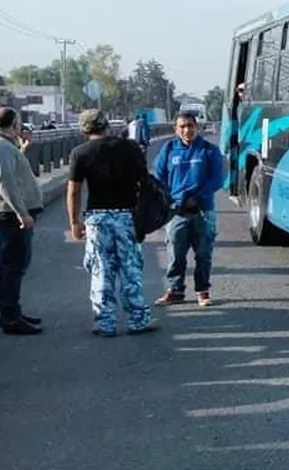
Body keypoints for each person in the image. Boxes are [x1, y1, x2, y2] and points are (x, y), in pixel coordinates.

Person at [67, 109, 157, 337]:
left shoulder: (80, 153)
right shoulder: (130, 148)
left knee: (101, 270)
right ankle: (138, 319)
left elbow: (74, 192)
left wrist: (75, 223)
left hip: (97, 219)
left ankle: (105, 322)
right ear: (107, 125)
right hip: (127, 216)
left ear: (84, 129)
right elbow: (144, 182)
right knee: (130, 268)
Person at [152, 111, 225, 308]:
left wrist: (198, 197)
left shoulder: (209, 150)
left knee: (203, 253)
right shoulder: (168, 150)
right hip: (176, 212)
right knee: (175, 253)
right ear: (176, 129)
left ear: (197, 127)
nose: (186, 130)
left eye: (190, 126)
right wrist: (170, 200)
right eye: (182, 126)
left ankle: (203, 291)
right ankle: (176, 291)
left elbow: (218, 179)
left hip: (203, 210)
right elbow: (158, 178)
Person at [0, 106, 43, 335]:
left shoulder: (3, 145)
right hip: (9, 216)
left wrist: (22, 149)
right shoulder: (0, 146)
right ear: (13, 124)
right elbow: (6, 182)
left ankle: (12, 311)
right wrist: (22, 213)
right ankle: (10, 317)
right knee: (12, 266)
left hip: (9, 213)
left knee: (11, 266)